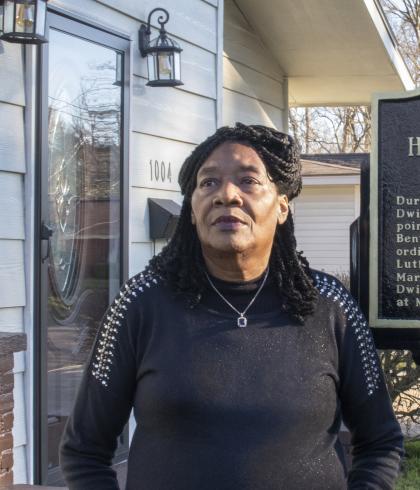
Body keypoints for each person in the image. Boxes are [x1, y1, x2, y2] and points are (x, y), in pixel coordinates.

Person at [60, 123, 404, 490]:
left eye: (248, 180)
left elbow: (380, 442)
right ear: (192, 210)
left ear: (282, 206)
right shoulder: (141, 303)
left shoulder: (330, 305)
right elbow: (84, 451)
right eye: (208, 183)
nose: (227, 195)